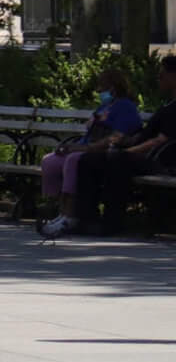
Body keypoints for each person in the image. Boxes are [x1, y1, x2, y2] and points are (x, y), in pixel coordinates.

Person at [73, 55, 176, 237]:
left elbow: (160, 140)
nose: (158, 79)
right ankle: (86, 218)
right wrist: (124, 142)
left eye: (162, 75)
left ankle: (112, 223)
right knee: (89, 160)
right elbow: (145, 135)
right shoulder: (167, 105)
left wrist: (128, 151)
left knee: (117, 160)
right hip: (141, 155)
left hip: (161, 161)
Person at [38, 68, 143, 237]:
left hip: (99, 152)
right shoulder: (104, 106)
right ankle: (60, 211)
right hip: (84, 146)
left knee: (73, 160)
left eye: (101, 87)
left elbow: (115, 138)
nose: (98, 90)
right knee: (50, 161)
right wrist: (73, 145)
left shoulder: (125, 107)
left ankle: (70, 216)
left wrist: (82, 148)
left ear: (113, 88)